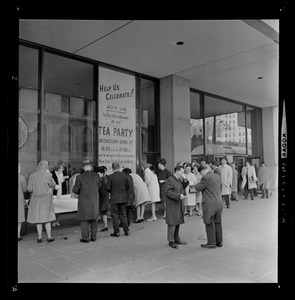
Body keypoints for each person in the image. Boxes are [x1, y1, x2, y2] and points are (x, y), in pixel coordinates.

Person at [72, 160, 104, 242]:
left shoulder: (79, 177)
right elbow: (100, 188)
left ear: (83, 167)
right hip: (94, 201)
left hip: (84, 201)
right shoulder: (97, 176)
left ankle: (85, 238)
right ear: (91, 167)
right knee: (94, 218)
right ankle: (94, 237)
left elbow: (75, 190)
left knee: (84, 220)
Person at [27, 160, 58, 243]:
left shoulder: (32, 175)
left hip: (36, 199)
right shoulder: (48, 174)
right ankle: (49, 237)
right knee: (47, 219)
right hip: (46, 199)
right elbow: (53, 185)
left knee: (38, 219)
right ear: (45, 166)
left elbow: (29, 189)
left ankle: (39, 238)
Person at [195, 165, 223, 248]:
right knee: (218, 222)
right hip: (219, 201)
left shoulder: (205, 178)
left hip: (210, 203)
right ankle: (219, 241)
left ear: (202, 171)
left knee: (209, 222)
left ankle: (211, 242)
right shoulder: (217, 176)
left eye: (201, 173)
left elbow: (197, 188)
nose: (201, 175)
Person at [165, 165, 187, 249]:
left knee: (177, 222)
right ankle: (171, 241)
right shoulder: (170, 180)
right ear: (177, 171)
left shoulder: (177, 180)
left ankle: (176, 238)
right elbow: (168, 192)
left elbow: (182, 187)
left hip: (177, 204)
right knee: (172, 223)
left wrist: (185, 180)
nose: (183, 173)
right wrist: (178, 196)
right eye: (182, 172)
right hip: (172, 204)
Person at [106, 162, 130, 237]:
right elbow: (128, 187)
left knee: (115, 215)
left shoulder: (110, 177)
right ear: (119, 167)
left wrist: (112, 191)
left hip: (114, 198)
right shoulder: (125, 176)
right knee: (123, 214)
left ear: (113, 168)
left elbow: (108, 188)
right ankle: (126, 230)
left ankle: (116, 232)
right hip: (123, 197)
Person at [51, 162, 69, 227]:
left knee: (59, 207)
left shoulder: (61, 174)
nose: (63, 169)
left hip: (60, 192)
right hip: (54, 192)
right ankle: (53, 220)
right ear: (58, 168)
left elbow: (62, 183)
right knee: (53, 207)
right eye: (62, 168)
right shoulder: (52, 174)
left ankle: (56, 220)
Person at [95, 166, 110, 231]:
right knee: (104, 213)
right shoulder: (106, 178)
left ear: (102, 173)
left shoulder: (101, 180)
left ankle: (95, 227)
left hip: (102, 198)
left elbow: (99, 190)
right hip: (105, 198)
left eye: (98, 174)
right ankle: (105, 226)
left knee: (100, 212)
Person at [18, 163, 27, 241]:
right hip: (19, 198)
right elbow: (24, 189)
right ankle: (18, 235)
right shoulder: (21, 178)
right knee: (19, 217)